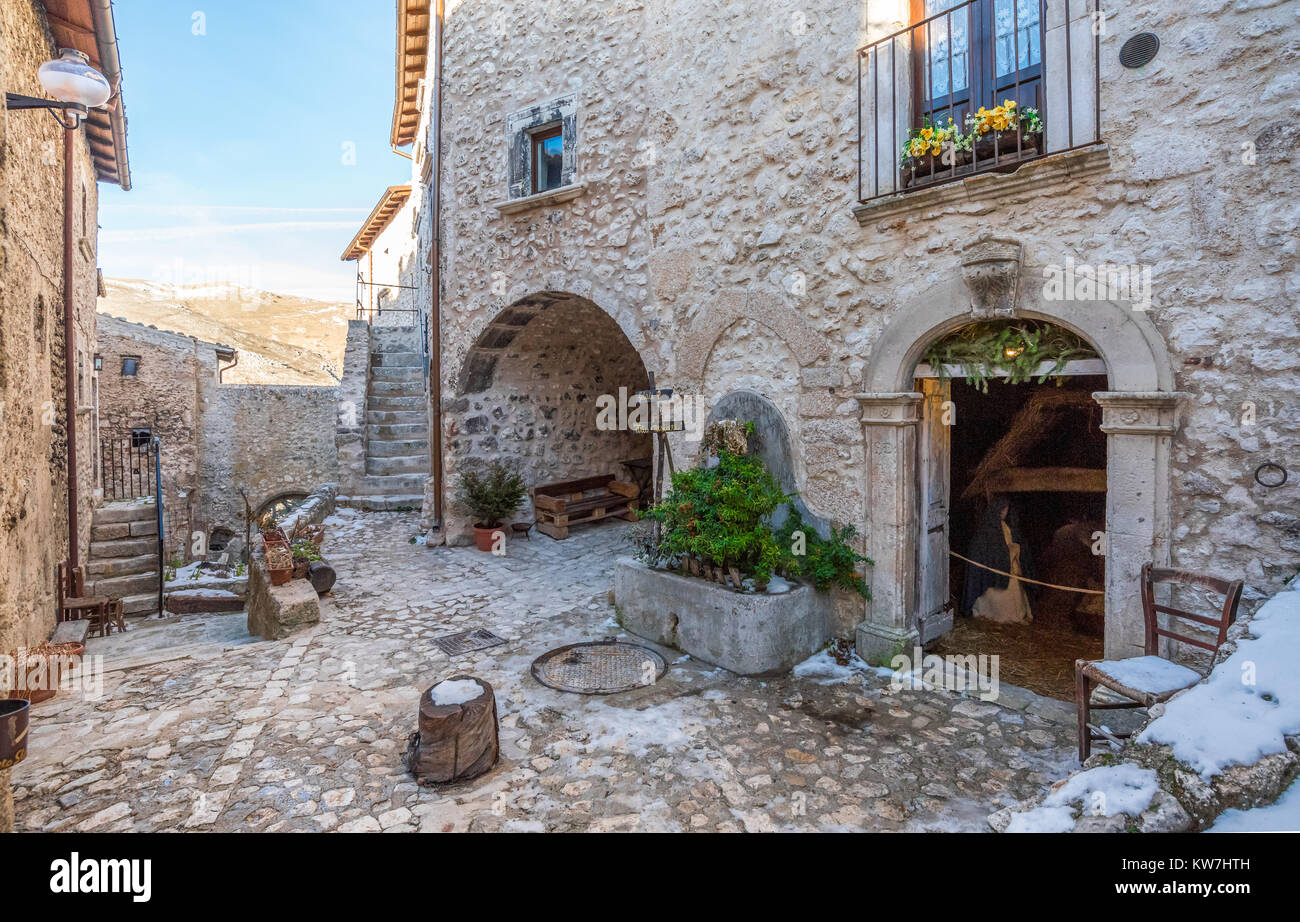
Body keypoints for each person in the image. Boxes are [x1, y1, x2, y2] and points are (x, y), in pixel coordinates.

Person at [961, 494, 1033, 624]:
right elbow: (994, 550)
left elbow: (1003, 548)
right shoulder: (991, 528)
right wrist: (1013, 550)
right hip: (995, 573)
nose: (1006, 512)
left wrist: (1011, 551)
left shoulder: (999, 526)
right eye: (1004, 509)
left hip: (1001, 569)